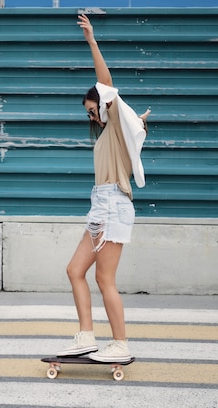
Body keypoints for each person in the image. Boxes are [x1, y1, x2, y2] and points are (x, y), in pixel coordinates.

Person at [56, 14, 150, 363]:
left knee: (104, 277)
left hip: (113, 204)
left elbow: (105, 83)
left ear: (104, 105)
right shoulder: (112, 133)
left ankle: (120, 344)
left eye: (93, 109)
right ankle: (85, 337)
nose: (92, 117)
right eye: (88, 114)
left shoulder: (112, 125)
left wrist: (91, 41)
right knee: (75, 271)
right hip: (103, 205)